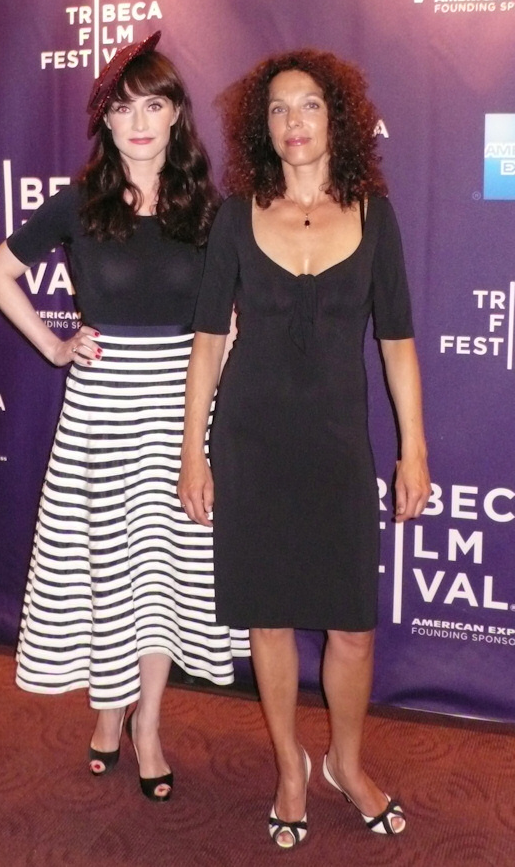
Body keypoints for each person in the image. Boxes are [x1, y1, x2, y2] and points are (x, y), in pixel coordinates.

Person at [0, 31, 248, 803]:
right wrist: (54, 345)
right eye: (124, 108)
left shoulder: (209, 211)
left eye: (154, 106)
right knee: (111, 574)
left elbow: (229, 319)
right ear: (106, 119)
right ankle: (108, 712)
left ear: (176, 117)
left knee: (163, 576)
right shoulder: (79, 203)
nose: (139, 122)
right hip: (102, 415)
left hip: (181, 413)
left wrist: (211, 398)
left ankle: (148, 725)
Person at [178, 48, 431, 845]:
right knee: (271, 619)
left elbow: (397, 341)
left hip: (337, 449)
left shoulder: (376, 216)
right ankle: (291, 767)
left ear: (337, 118)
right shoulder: (235, 217)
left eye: (310, 105)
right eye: (279, 108)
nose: (294, 121)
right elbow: (208, 340)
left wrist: (414, 448)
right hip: (252, 444)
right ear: (263, 125)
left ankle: (344, 765)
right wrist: (193, 451)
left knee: (353, 627)